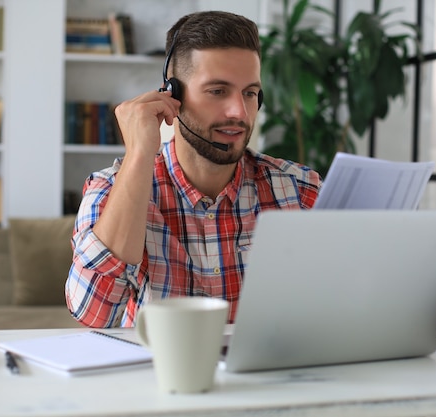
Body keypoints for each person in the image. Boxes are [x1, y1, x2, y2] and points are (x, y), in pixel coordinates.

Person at [65, 10, 322, 328]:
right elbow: (95, 314)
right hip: (158, 375)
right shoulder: (109, 190)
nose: (239, 112)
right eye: (217, 91)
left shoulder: (301, 190)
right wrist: (140, 153)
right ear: (172, 96)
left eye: (250, 93)